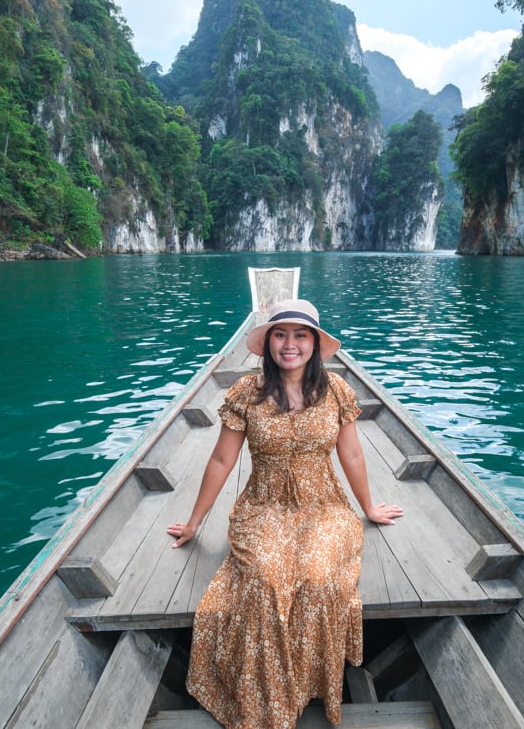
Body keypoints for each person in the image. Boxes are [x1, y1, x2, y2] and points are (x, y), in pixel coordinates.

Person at [167, 299, 403, 728]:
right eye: (280, 334)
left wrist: (368, 507)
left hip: (324, 506)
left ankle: (306, 683)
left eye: (300, 335)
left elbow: (350, 452)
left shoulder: (336, 392)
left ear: (314, 342)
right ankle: (269, 706)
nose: (289, 344)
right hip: (264, 507)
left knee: (318, 580)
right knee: (265, 581)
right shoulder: (246, 393)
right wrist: (195, 521)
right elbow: (221, 461)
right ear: (269, 342)